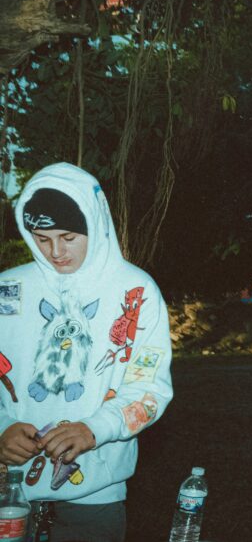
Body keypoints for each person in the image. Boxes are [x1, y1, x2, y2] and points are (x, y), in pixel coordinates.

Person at [0, 162, 173, 541]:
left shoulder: (137, 292)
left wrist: (94, 429)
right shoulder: (7, 290)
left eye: (68, 237)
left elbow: (150, 389)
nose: (56, 252)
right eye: (41, 239)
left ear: (95, 225)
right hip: (7, 489)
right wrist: (1, 428)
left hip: (95, 494)